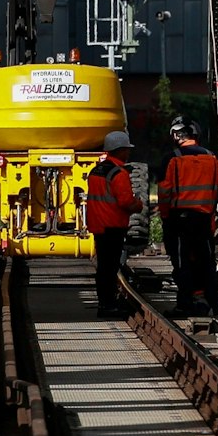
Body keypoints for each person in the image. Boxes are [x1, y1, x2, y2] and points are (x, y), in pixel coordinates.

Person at [158, 117, 218, 317]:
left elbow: (164, 192)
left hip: (179, 219)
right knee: (207, 262)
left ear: (176, 135)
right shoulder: (211, 158)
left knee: (182, 263)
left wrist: (165, 217)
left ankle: (185, 304)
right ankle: (216, 305)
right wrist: (209, 209)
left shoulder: (172, 159)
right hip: (204, 218)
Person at [85, 130, 143, 318]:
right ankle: (108, 305)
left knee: (103, 267)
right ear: (120, 150)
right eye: (127, 149)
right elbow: (126, 202)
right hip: (113, 225)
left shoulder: (95, 171)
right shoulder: (119, 173)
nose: (129, 152)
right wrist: (138, 204)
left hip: (98, 225)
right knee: (110, 268)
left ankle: (105, 303)